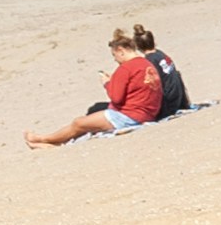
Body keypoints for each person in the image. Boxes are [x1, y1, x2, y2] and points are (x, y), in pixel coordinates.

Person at [25, 29, 164, 146]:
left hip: (131, 116)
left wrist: (107, 83)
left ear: (120, 51)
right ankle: (55, 140)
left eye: (114, 55)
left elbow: (116, 98)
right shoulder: (146, 64)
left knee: (78, 123)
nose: (115, 59)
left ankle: (45, 140)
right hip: (148, 113)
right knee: (89, 122)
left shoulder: (126, 68)